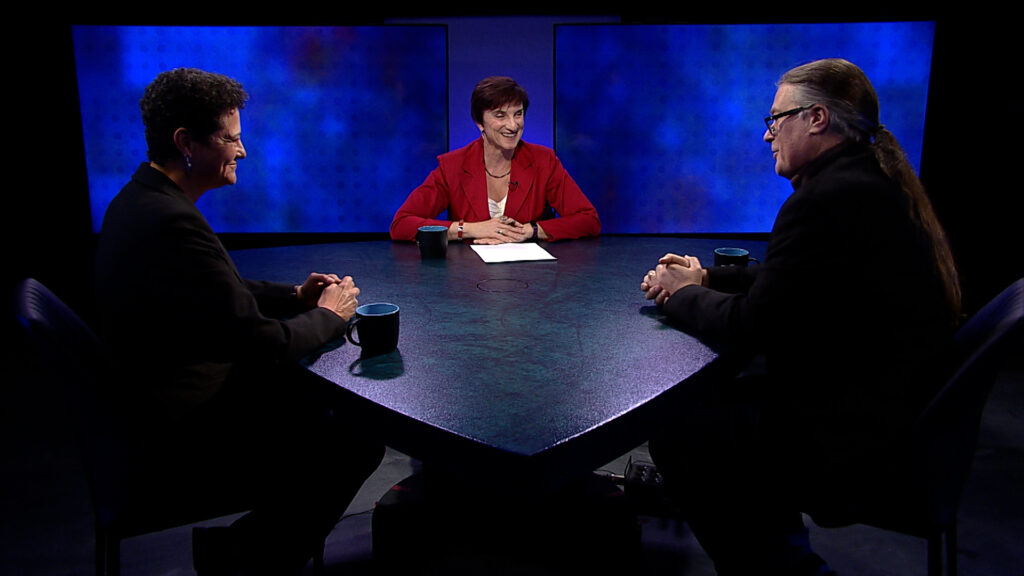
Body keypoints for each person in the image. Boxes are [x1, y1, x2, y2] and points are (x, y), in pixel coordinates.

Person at [638, 59, 962, 575]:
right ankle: (780, 550)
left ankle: (785, 569)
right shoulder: (871, 182)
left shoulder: (827, 199)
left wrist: (678, 295)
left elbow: (751, 325)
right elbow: (801, 284)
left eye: (775, 120)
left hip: (856, 438)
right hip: (892, 411)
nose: (768, 136)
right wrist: (706, 280)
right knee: (718, 405)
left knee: (684, 428)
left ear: (816, 119)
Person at [93, 68, 384, 575]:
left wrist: (295, 296)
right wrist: (329, 316)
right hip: (183, 434)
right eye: (230, 139)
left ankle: (248, 551)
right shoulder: (170, 220)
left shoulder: (140, 201)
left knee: (323, 412)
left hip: (151, 407)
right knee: (354, 437)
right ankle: (244, 559)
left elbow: (218, 292)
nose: (242, 152)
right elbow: (262, 344)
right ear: (186, 143)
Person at [390, 76, 600, 243]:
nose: (513, 125)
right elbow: (402, 224)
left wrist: (532, 230)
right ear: (479, 122)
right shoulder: (452, 166)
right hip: (467, 280)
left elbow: (589, 220)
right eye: (500, 116)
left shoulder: (543, 161)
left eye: (518, 114)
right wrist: (471, 229)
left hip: (535, 279)